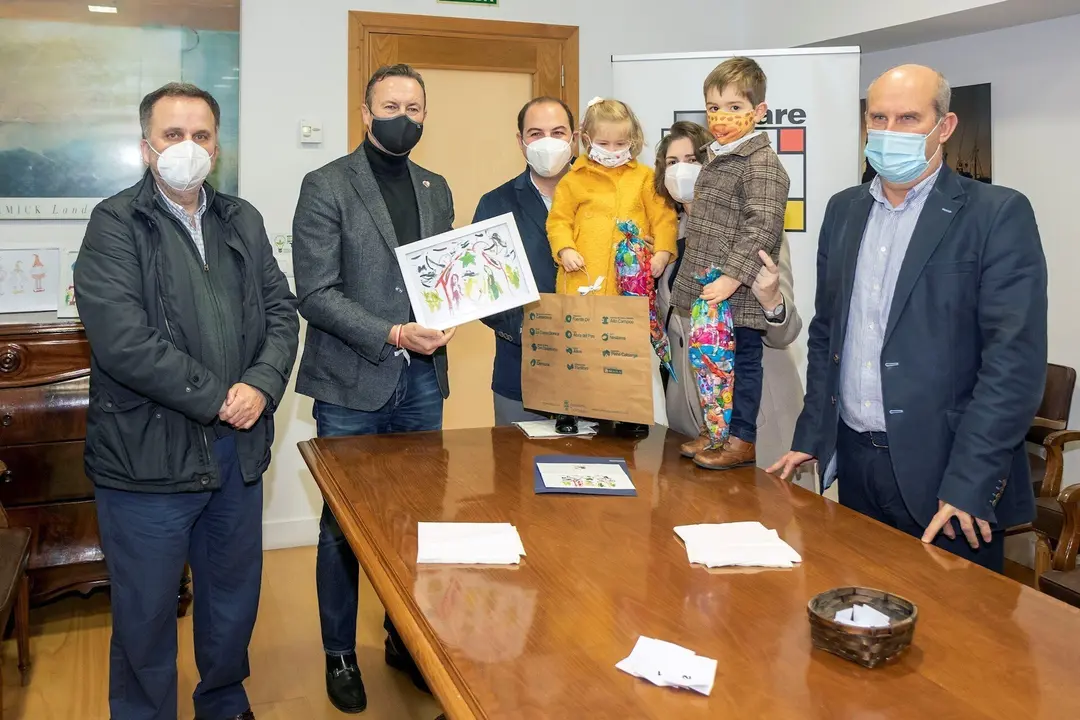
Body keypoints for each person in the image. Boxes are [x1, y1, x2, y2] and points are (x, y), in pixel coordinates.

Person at [74, 82, 299, 720]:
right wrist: (217, 398)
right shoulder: (115, 222)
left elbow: (282, 313)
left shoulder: (243, 219)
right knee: (144, 618)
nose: (188, 148)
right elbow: (123, 341)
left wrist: (260, 385)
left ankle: (224, 703)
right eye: (173, 135)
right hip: (146, 461)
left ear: (217, 146)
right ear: (147, 147)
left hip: (237, 454)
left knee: (232, 603)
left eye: (201, 135)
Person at [769, 65, 1047, 572]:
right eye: (879, 117)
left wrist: (971, 483)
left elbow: (1014, 368)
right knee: (860, 622)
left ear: (944, 126)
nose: (889, 131)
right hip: (856, 463)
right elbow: (828, 334)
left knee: (958, 641)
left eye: (908, 118)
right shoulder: (843, 211)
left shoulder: (996, 214)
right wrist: (812, 437)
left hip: (950, 482)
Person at [292, 63, 455, 713]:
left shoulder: (436, 187)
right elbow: (315, 293)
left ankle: (402, 638)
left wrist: (453, 312)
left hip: (423, 385)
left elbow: (445, 278)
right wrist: (390, 332)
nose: (404, 117)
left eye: (415, 108)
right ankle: (338, 653)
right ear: (365, 112)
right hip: (350, 384)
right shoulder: (326, 184)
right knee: (344, 528)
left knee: (415, 522)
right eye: (391, 105)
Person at [654, 122, 805, 473]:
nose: (681, 170)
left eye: (692, 159)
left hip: (755, 421)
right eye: (672, 162)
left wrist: (770, 300)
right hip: (693, 422)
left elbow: (785, 331)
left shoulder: (755, 230)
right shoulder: (664, 238)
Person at [671, 57, 791, 471]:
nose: (722, 117)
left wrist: (731, 277)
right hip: (708, 293)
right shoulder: (714, 156)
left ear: (758, 112)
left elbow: (761, 228)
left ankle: (741, 438)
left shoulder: (763, 164)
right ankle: (715, 431)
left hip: (738, 294)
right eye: (714, 107)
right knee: (710, 367)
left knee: (742, 366)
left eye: (735, 107)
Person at [546, 97, 679, 434]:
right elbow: (557, 221)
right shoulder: (573, 180)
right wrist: (564, 249)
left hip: (628, 283)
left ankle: (626, 412)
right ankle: (568, 409)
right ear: (586, 140)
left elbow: (663, 219)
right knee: (577, 349)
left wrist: (662, 253)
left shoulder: (644, 178)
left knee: (624, 352)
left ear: (633, 141)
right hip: (582, 280)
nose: (613, 149)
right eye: (604, 143)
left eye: (621, 143)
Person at [474, 96, 574, 425]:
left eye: (558, 132)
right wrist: (528, 331)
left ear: (575, 137)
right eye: (535, 133)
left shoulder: (607, 202)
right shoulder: (495, 205)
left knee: (596, 472)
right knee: (515, 474)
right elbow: (481, 290)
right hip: (518, 374)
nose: (547, 142)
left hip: (597, 370)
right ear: (521, 142)